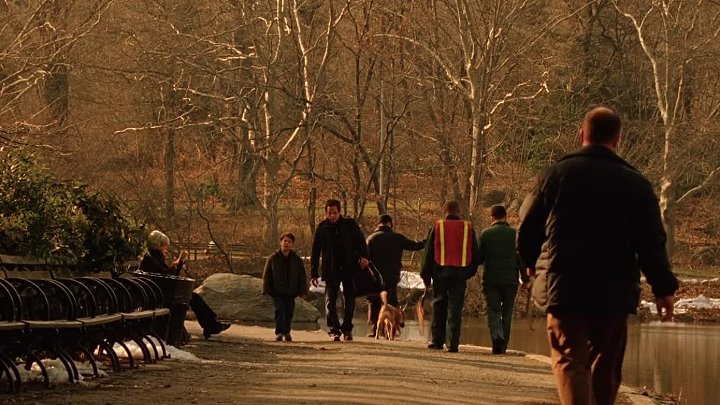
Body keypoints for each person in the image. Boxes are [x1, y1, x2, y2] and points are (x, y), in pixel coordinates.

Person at [517, 106, 678, 405]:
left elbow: (527, 228)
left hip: (563, 287)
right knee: (606, 363)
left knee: (570, 360)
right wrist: (663, 288)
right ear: (617, 139)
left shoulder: (554, 176)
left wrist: (529, 264)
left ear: (581, 135)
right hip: (613, 291)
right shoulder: (637, 184)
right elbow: (652, 243)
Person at [139, 230, 231, 341]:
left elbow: (166, 277)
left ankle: (211, 325)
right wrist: (177, 265)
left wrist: (176, 266)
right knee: (192, 297)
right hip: (159, 297)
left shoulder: (151, 258)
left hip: (155, 294)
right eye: (165, 246)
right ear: (160, 245)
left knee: (192, 296)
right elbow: (169, 279)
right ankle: (211, 325)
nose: (166, 249)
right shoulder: (154, 260)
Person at [420, 201, 480, 353]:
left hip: (440, 274)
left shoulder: (437, 226)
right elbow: (475, 254)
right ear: (459, 211)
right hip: (460, 275)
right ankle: (453, 343)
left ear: (444, 210)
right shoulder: (468, 227)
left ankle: (437, 341)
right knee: (455, 308)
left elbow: (428, 253)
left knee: (439, 306)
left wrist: (426, 276)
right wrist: (468, 273)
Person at [310, 199, 370, 341]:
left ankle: (347, 328)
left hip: (350, 267)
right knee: (330, 301)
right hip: (331, 269)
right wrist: (314, 273)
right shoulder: (322, 228)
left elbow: (361, 242)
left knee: (350, 299)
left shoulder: (350, 225)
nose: (332, 216)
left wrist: (365, 257)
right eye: (329, 213)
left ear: (339, 212)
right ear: (326, 213)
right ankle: (334, 330)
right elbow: (315, 251)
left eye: (334, 213)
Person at [478, 204, 529, 354]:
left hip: (491, 280)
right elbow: (521, 260)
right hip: (510, 281)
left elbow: (479, 258)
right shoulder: (515, 234)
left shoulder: (486, 234)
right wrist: (525, 279)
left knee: (493, 310)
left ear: (492, 217)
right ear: (505, 216)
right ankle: (503, 345)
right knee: (507, 313)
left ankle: (497, 339)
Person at [365, 214, 425, 337]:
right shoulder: (398, 238)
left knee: (374, 302)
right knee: (391, 303)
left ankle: (375, 329)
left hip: (374, 278)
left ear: (378, 224)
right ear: (390, 224)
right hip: (391, 277)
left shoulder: (371, 239)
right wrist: (427, 240)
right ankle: (392, 330)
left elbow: (365, 258)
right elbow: (415, 246)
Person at [262, 232, 308, 342]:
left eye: (289, 242)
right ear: (281, 242)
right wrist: (266, 289)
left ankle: (287, 331)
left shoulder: (296, 259)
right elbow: (267, 275)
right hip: (277, 291)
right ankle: (279, 332)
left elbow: (301, 276)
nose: (286, 243)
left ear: (292, 244)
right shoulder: (273, 258)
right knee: (279, 311)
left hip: (291, 292)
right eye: (285, 241)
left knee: (289, 312)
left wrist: (302, 290)